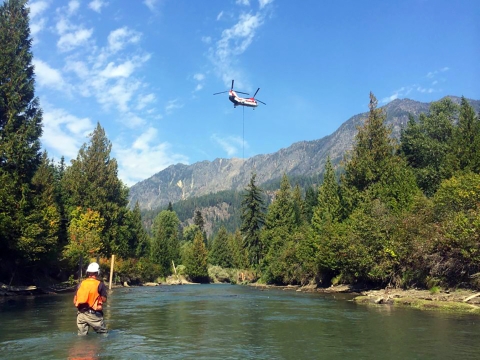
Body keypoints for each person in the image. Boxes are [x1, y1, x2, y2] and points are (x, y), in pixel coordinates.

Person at [73, 262, 108, 335]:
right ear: (98, 272)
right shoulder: (100, 284)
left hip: (80, 315)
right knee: (103, 335)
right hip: (93, 314)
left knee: (81, 336)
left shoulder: (81, 283)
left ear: (88, 273)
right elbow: (104, 300)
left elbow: (74, 300)